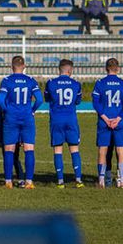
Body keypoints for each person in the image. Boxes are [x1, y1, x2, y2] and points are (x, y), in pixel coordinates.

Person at [0, 56, 43, 189]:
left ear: (12, 66)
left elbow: (0, 101)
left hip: (11, 118)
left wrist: (7, 111)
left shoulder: (7, 81)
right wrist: (32, 110)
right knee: (29, 149)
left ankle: (8, 182)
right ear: (24, 66)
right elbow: (39, 100)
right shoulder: (31, 80)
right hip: (27, 117)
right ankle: (29, 182)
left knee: (9, 149)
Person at [92, 58, 123, 188]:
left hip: (104, 122)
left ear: (106, 68)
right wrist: (118, 118)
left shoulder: (100, 83)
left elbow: (96, 103)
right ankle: (122, 180)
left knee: (102, 151)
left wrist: (105, 118)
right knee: (121, 150)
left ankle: (101, 181)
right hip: (119, 122)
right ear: (118, 68)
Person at [43, 59, 83, 187]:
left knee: (58, 150)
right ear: (70, 70)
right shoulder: (76, 84)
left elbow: (47, 98)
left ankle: (60, 181)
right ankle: (78, 180)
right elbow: (77, 101)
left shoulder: (51, 83)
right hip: (71, 119)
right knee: (74, 149)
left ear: (59, 69)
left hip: (56, 119)